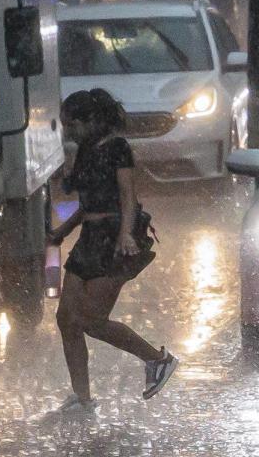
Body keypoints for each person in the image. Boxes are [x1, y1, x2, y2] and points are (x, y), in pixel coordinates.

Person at [51, 88, 177, 407]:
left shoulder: (118, 148)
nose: (69, 132)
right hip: (89, 238)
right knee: (67, 318)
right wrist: (62, 231)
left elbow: (127, 195)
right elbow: (86, 204)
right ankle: (82, 399)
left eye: (73, 125)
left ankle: (157, 359)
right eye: (66, 126)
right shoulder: (84, 150)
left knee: (93, 320)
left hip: (113, 238)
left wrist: (126, 235)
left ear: (92, 120)